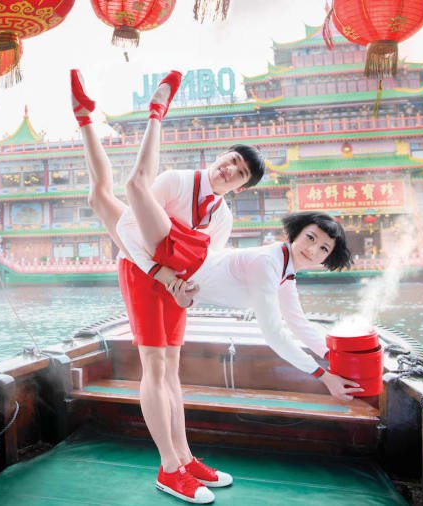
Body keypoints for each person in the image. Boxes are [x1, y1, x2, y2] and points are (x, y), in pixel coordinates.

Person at [72, 69, 264, 504]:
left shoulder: (222, 218)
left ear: (241, 187)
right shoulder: (176, 180)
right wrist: (160, 274)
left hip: (174, 281)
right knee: (155, 367)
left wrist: (186, 291)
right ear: (220, 155)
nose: (230, 169)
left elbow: (203, 269)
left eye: (240, 173)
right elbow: (129, 234)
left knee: (171, 370)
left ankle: (185, 458)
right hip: (142, 268)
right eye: (231, 159)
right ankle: (168, 467)